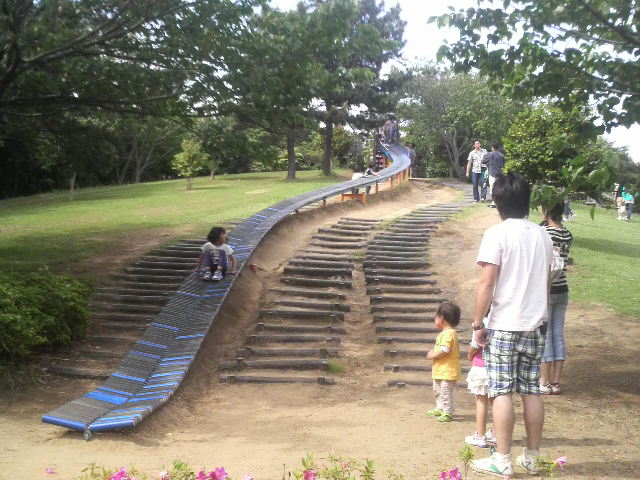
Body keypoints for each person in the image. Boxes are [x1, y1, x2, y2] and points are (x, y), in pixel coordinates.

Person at [470, 172, 554, 477]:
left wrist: (478, 322)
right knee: (531, 390)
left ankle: (502, 459)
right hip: (535, 325)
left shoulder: (497, 234)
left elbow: (486, 283)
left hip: (504, 325)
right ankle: (532, 457)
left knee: (501, 391)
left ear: (498, 202)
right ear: (527, 201)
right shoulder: (542, 234)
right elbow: (546, 282)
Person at [539, 202, 572, 395]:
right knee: (558, 334)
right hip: (563, 289)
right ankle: (555, 382)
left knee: (545, 335)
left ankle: (543, 382)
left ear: (545, 212)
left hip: (547, 290)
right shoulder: (567, 234)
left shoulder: (545, 233)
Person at [426, 302, 461, 423]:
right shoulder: (445, 333)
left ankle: (448, 412)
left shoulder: (449, 333)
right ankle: (440, 407)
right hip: (441, 370)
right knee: (437, 390)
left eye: (436, 316)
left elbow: (446, 349)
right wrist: (435, 352)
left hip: (448, 370)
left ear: (441, 318)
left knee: (445, 392)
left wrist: (434, 354)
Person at [464, 313, 496, 448]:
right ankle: (496, 433)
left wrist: (470, 355)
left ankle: (480, 436)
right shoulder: (503, 319)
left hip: (481, 366)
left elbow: (475, 344)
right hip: (497, 367)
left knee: (481, 401)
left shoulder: (482, 322)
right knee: (497, 401)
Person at [482, 142, 506, 208]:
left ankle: (494, 202)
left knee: (492, 188)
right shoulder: (501, 155)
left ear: (492, 147)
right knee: (499, 188)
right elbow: (504, 164)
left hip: (492, 173)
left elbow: (483, 161)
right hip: (500, 174)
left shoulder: (490, 154)